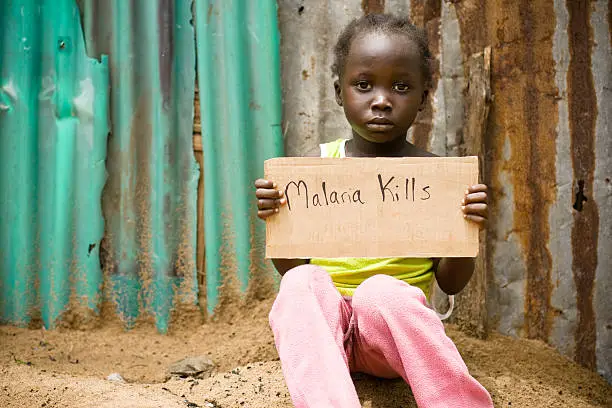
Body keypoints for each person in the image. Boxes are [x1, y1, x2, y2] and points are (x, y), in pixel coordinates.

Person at [254, 13, 493, 408]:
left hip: (389, 341)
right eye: (364, 85)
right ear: (338, 91)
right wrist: (277, 220)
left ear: (423, 98)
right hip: (325, 341)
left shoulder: (436, 179)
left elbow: (450, 284)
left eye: (401, 87)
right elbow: (291, 268)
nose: (381, 100)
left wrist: (465, 231)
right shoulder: (316, 167)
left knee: (380, 292)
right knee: (300, 285)